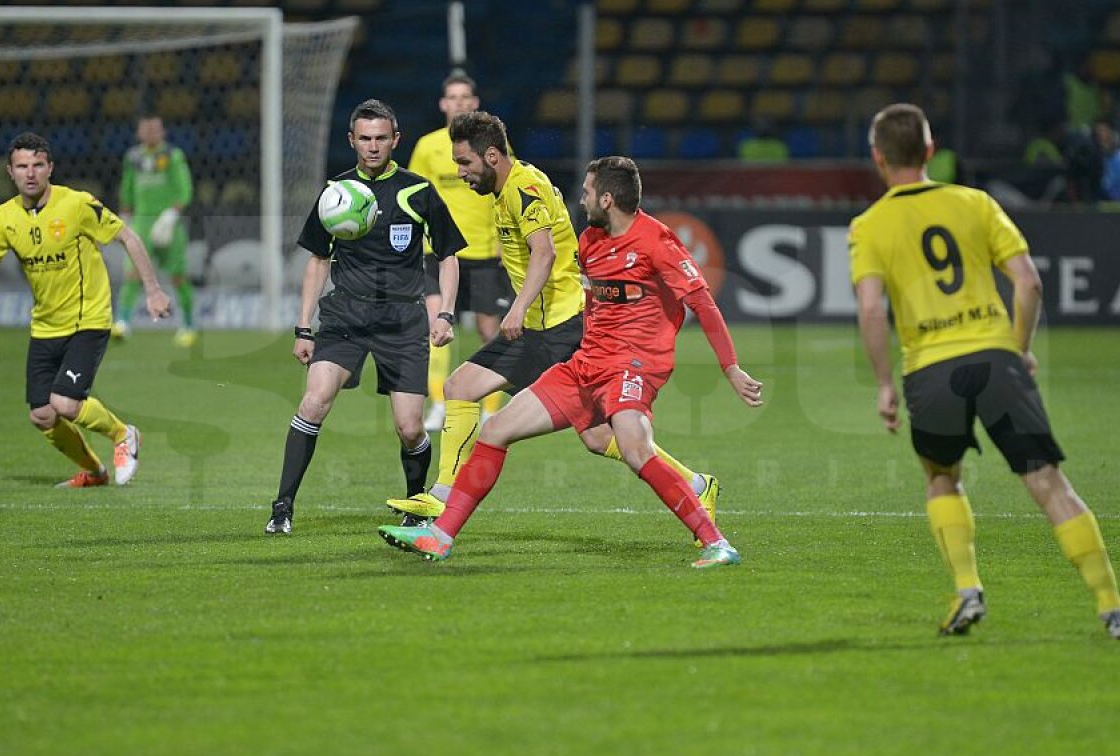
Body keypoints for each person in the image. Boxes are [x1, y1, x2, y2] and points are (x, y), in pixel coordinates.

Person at [379, 156, 763, 567]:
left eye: (586, 191)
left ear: (608, 199)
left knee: (634, 446)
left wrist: (731, 368)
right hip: (586, 363)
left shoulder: (657, 240)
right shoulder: (590, 243)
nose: (580, 198)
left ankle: (716, 542)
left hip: (632, 365)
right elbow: (591, 299)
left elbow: (702, 302)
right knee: (495, 430)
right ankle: (439, 537)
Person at [849, 103, 1120, 639]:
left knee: (942, 477)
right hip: (994, 356)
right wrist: (1019, 347)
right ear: (931, 152)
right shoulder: (976, 203)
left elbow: (871, 309)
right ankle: (1112, 607)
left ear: (878, 158)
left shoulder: (870, 226)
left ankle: (967, 591)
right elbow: (1028, 282)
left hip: (930, 370)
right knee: (1049, 483)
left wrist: (885, 384)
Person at [264, 99, 463, 535]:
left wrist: (444, 311)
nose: (373, 147)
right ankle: (282, 507)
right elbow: (318, 261)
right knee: (314, 402)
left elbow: (448, 255)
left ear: (396, 140)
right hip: (345, 319)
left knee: (410, 427)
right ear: (351, 140)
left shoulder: (419, 191)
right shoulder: (336, 193)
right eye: (365, 139)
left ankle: (416, 505)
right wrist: (303, 326)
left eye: (381, 138)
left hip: (403, 321)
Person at [0, 132, 172, 488]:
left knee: (64, 402)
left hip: (88, 319)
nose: (30, 173)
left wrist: (153, 290)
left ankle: (124, 434)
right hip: (45, 326)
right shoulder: (3, 218)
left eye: (37, 165)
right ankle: (95, 473)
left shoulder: (76, 204)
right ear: (10, 172)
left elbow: (127, 236)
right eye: (22, 166)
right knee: (42, 414)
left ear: (50, 168)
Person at [407, 73, 513, 431]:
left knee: (490, 330)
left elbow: (507, 189)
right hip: (437, 251)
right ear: (443, 104)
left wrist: (506, 239)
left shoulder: (494, 146)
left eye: (465, 97)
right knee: (437, 324)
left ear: (474, 102)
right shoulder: (427, 146)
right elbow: (414, 196)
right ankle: (439, 404)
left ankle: (492, 407)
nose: (458, 103)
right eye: (452, 97)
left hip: (483, 250)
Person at [113, 114, 196, 346]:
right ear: (139, 133)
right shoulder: (133, 157)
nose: (150, 134)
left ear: (162, 132)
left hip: (168, 223)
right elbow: (127, 188)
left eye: (154, 130)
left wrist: (172, 214)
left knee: (178, 276)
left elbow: (185, 188)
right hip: (141, 223)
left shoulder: (172, 156)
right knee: (132, 273)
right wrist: (125, 215)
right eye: (146, 130)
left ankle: (189, 325)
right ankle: (123, 323)